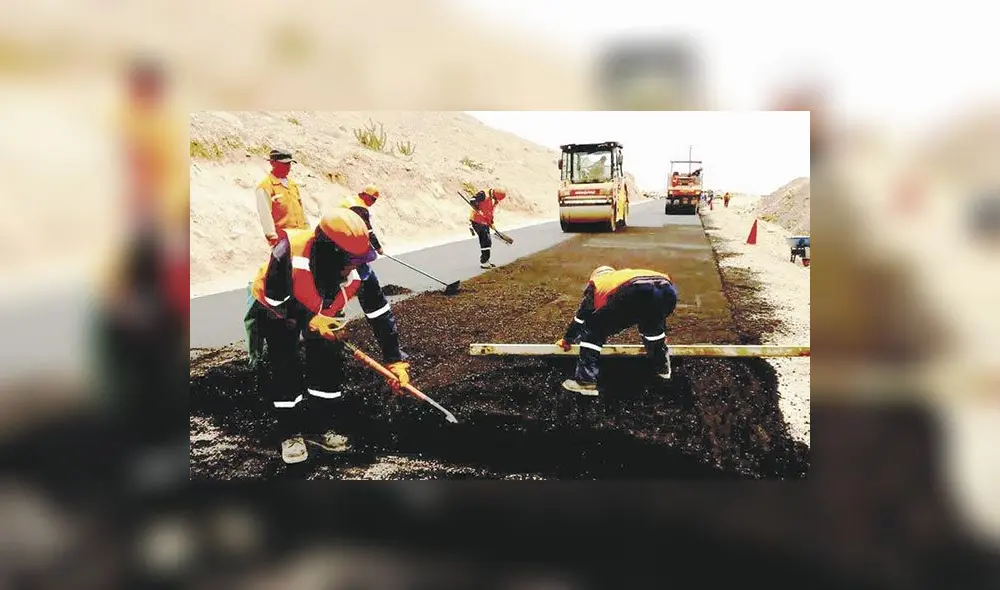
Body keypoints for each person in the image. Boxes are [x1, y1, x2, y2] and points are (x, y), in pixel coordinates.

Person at [245, 208, 411, 465]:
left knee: (327, 363)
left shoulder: (360, 271)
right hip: (276, 308)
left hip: (323, 307)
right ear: (329, 255)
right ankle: (290, 433)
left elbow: (379, 314)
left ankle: (320, 428)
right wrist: (307, 319)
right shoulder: (288, 252)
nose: (353, 269)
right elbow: (275, 300)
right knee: (284, 363)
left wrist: (394, 360)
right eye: (349, 263)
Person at [555, 266, 678, 395]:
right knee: (652, 329)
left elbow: (581, 318)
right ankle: (663, 371)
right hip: (667, 291)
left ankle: (586, 381)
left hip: (634, 291)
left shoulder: (598, 283)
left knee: (593, 328)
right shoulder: (622, 276)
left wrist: (568, 339)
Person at [255, 149, 309, 248]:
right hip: (283, 241)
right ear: (273, 163)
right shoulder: (265, 187)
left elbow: (302, 211)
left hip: (301, 237)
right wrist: (272, 237)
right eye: (284, 164)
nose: (288, 167)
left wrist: (308, 231)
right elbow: (265, 214)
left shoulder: (293, 185)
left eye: (289, 164)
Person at [469, 187, 506, 269]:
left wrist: (491, 222)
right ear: (495, 195)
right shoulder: (483, 194)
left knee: (487, 242)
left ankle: (486, 260)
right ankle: (484, 262)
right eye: (497, 198)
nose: (497, 200)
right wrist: (478, 209)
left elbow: (489, 211)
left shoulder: (493, 199)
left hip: (484, 222)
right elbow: (472, 200)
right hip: (477, 221)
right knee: (485, 241)